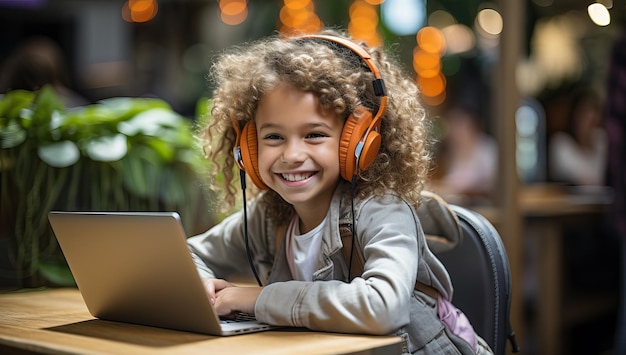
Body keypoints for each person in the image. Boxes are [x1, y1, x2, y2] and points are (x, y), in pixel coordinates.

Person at [186, 30, 493, 354]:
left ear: (360, 143)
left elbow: (383, 307)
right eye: (273, 137)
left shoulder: (382, 210)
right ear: (248, 148)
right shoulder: (269, 215)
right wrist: (202, 287)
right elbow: (191, 254)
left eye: (314, 135)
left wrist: (257, 298)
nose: (291, 154)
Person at [429, 103, 498, 204]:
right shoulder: (453, 151)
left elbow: (491, 185)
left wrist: (461, 189)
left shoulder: (486, 148)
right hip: (457, 206)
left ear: (470, 125)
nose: (453, 131)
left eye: (458, 124)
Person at [549, 89, 607, 186]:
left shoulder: (602, 140)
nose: (592, 118)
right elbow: (583, 178)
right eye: (585, 113)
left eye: (595, 112)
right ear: (574, 115)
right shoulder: (560, 144)